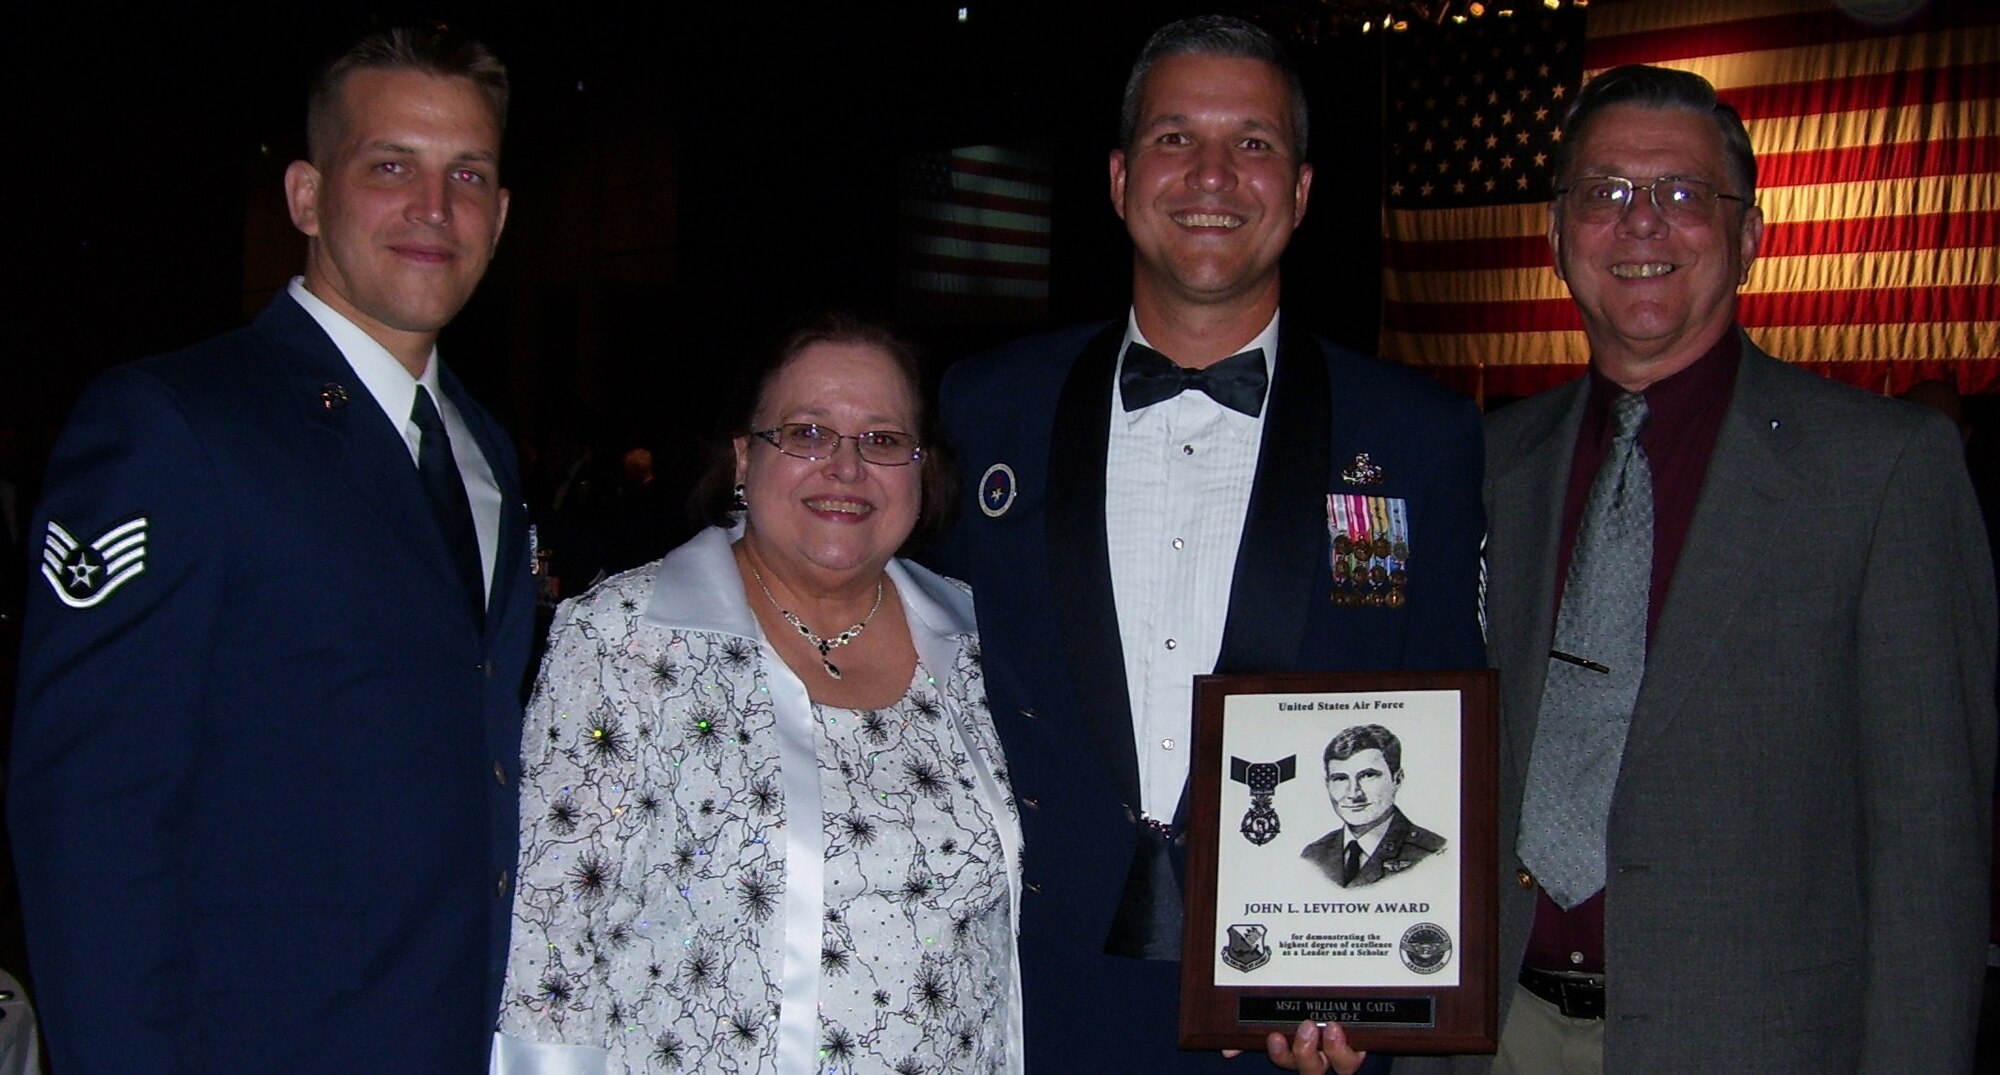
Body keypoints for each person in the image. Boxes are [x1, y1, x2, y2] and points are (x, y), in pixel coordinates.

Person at [1405, 65, 1995, 1074]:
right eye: (1603, 194)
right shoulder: (1484, 463)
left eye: (1681, 195)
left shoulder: (1882, 468)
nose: (1639, 225)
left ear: (1748, 238)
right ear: (1555, 236)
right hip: (1491, 1037)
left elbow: (1929, 847)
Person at [926, 14, 1484, 1074]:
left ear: (1302, 189)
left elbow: (1444, 712)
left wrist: (1384, 988)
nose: (1212, 174)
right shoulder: (986, 405)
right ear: (1119, 175)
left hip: (1292, 1020)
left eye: (1254, 143)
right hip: (1021, 994)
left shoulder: (1417, 435)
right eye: (1176, 138)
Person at [9, 25, 535, 1073]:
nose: (434, 209)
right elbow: (92, 827)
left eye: (466, 174)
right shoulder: (175, 427)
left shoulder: (487, 453)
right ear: (305, 195)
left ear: (502, 214)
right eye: (390, 166)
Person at [492, 315, 1022, 1075]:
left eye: (880, 439)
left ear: (921, 470)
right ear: (744, 457)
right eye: (806, 433)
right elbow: (550, 950)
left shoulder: (977, 644)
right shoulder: (623, 639)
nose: (844, 468)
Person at [1300, 724, 1445, 888]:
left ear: (1397, 779)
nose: (1354, 794)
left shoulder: (1433, 853)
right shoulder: (1313, 856)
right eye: (1340, 778)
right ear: (1327, 784)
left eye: (1368, 775)